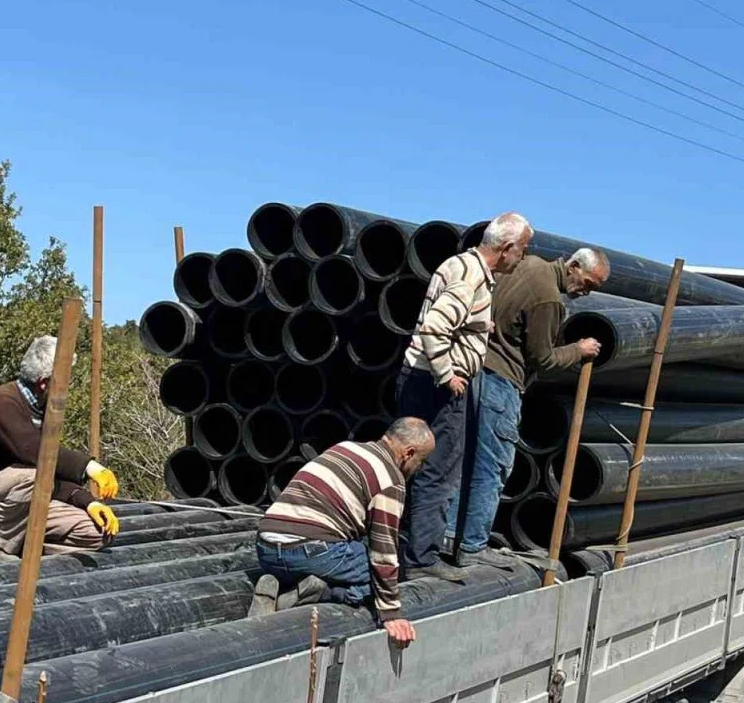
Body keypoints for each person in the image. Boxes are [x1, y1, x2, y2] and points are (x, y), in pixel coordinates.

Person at [444, 248, 611, 565]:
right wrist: (578, 349)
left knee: (460, 459)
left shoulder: (526, 265)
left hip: (471, 372)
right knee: (491, 468)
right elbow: (543, 359)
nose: (587, 292)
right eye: (588, 283)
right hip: (501, 384)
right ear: (574, 266)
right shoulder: (549, 298)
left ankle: (448, 536)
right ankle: (472, 546)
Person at [395, 212, 533, 581]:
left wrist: (478, 326)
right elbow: (434, 327)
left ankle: (395, 543)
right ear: (506, 249)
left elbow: (448, 316)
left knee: (406, 465)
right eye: (521, 251)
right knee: (438, 472)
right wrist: (449, 375)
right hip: (436, 385)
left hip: (416, 378)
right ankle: (422, 559)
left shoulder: (460, 265)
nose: (522, 258)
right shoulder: (473, 275)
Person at [249, 417, 435, 648]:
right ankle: (322, 592)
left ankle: (289, 585)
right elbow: (383, 551)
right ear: (408, 453)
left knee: (357, 557)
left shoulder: (344, 448)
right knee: (387, 578)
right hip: (312, 553)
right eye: (421, 461)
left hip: (265, 549)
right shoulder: (390, 481)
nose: (420, 468)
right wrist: (390, 613)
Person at [0, 335, 122, 559]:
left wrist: (88, 502)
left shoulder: (42, 409)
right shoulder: (2, 402)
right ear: (44, 382)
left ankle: (22, 546)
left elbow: (50, 473)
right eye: (64, 379)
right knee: (33, 476)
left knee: (96, 533)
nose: (68, 386)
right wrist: (90, 467)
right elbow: (36, 455)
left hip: (26, 498)